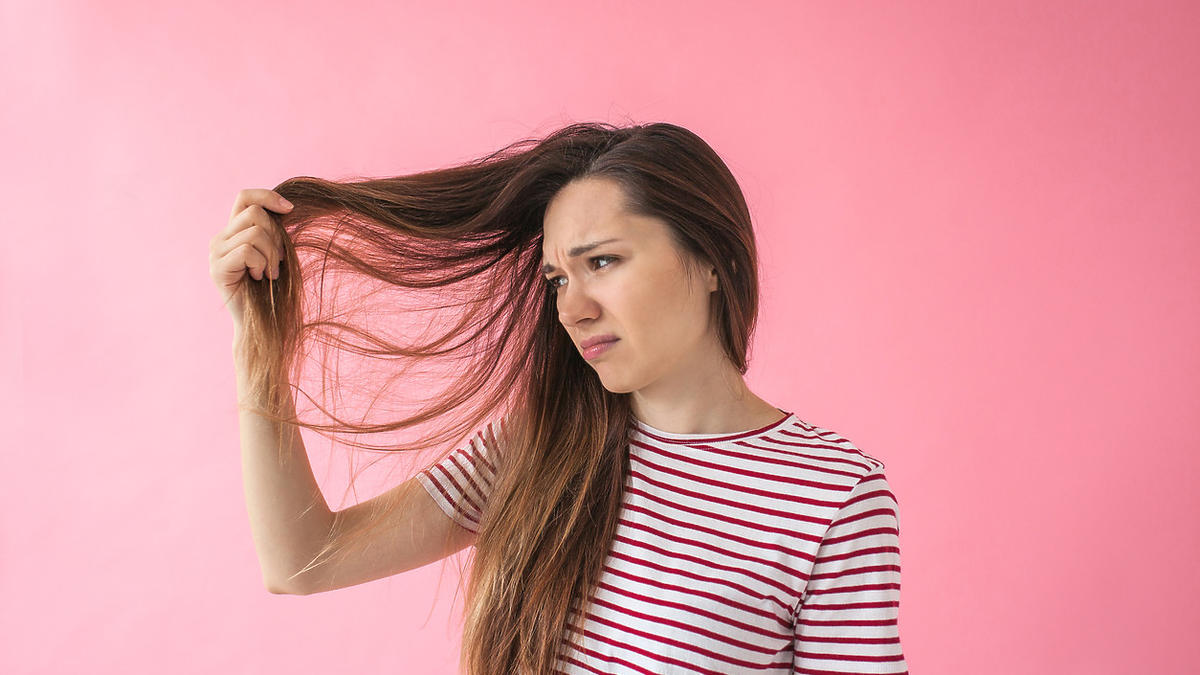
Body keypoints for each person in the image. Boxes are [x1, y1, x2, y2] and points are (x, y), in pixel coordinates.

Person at [209, 122, 908, 674]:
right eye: (556, 280)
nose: (571, 308)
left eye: (601, 262)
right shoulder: (537, 449)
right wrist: (257, 341)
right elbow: (304, 558)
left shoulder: (833, 494)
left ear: (711, 257)